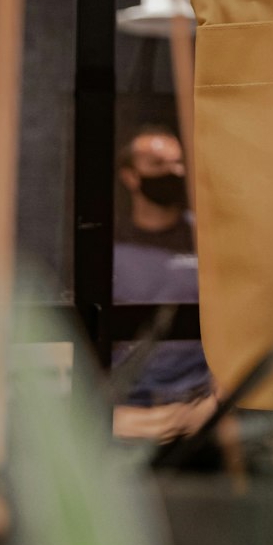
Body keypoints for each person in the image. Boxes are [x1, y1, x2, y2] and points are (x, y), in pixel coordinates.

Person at [113, 125, 216, 438]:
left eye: (178, 163)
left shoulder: (208, 240)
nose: (173, 172)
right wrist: (111, 415)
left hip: (200, 411)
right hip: (128, 410)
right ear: (130, 176)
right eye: (158, 165)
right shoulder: (110, 249)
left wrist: (215, 405)